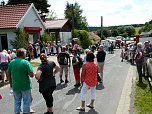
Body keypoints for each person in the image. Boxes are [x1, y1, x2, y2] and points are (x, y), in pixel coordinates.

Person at [7, 48, 34, 114]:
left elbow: (8, 74)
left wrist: (11, 84)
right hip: (25, 85)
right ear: (23, 54)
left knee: (17, 101)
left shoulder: (12, 62)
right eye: (25, 53)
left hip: (15, 85)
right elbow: (31, 75)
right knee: (26, 101)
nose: (26, 54)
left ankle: (17, 112)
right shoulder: (25, 62)